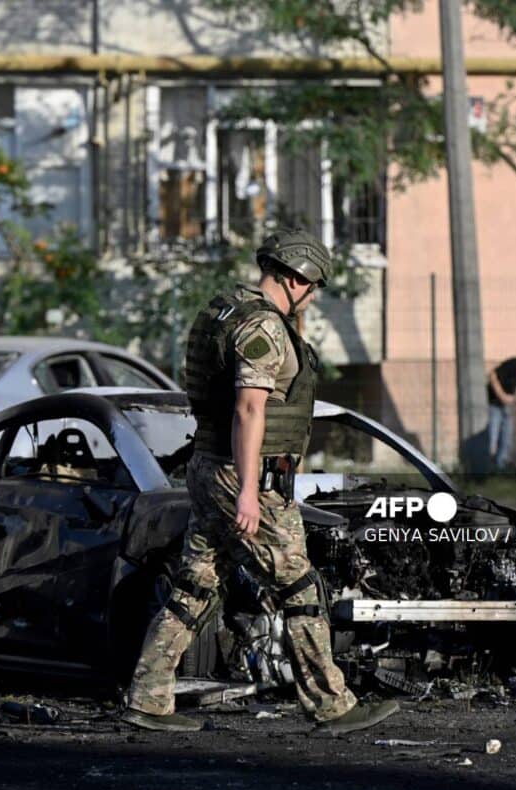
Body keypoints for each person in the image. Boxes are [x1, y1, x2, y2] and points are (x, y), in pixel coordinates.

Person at [121, 228, 399, 734]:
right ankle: (332, 704)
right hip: (247, 475)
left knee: (194, 586)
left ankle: (148, 694)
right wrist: (249, 490)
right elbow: (250, 409)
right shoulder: (264, 329)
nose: (311, 298)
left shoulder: (227, 310)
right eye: (312, 288)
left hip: (210, 468)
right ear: (296, 278)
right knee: (298, 586)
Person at [487, 356, 516, 470]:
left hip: (506, 407)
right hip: (494, 404)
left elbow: (512, 390)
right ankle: (487, 465)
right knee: (492, 435)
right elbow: (492, 375)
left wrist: (513, 400)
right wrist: (502, 396)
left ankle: (501, 465)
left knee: (507, 436)